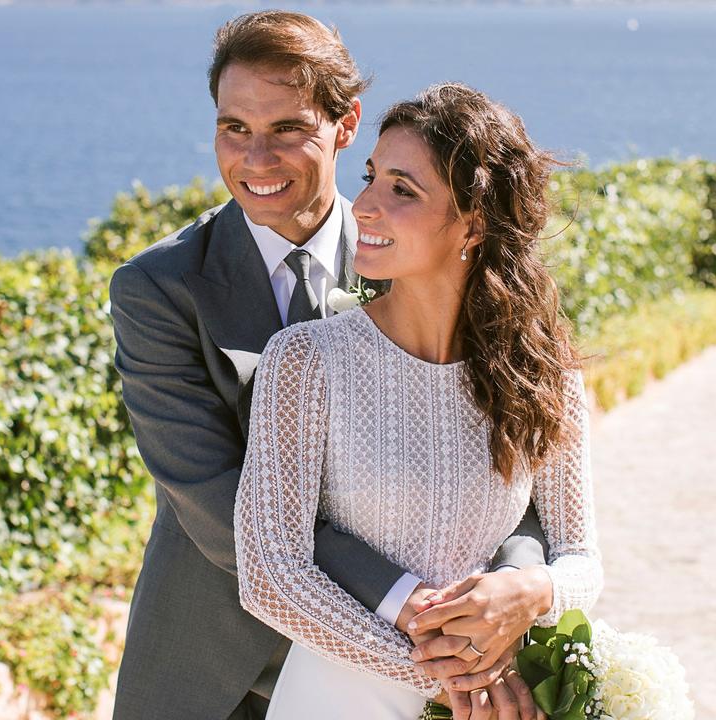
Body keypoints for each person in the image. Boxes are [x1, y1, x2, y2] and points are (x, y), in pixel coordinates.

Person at [108, 12, 557, 720]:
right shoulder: (158, 289)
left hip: (405, 672)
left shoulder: (418, 255)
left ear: (345, 125)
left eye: (287, 129)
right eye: (234, 129)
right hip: (218, 677)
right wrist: (413, 616)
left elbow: (514, 470)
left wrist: (515, 586)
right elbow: (219, 503)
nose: (256, 161)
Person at [234, 82, 603, 719]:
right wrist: (437, 676)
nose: (365, 206)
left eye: (403, 190)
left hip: (486, 697)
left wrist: (532, 591)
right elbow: (269, 572)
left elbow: (583, 560)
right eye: (371, 177)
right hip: (345, 695)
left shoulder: (543, 372)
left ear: (476, 222)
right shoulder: (305, 360)